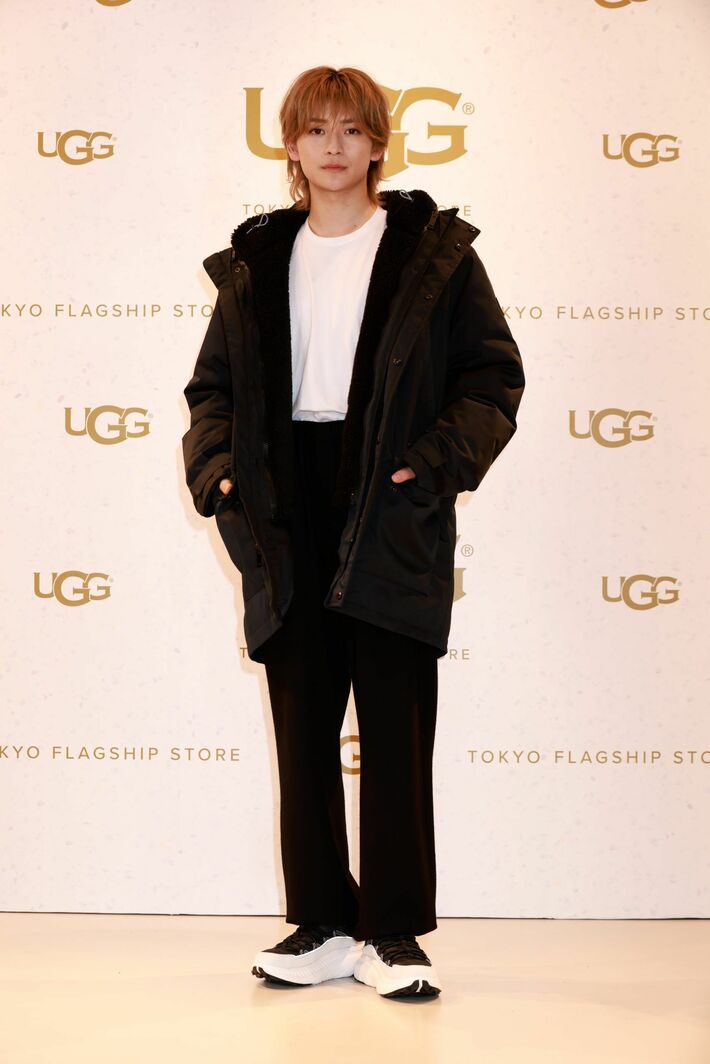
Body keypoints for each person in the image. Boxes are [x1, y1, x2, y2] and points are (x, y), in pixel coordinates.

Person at [181, 65, 526, 1001]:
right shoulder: (257, 261)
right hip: (283, 500)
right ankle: (324, 924)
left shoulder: (433, 256)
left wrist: (433, 463)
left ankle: (394, 933)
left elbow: (492, 378)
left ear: (378, 144)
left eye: (351, 130)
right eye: (315, 130)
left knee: (394, 721)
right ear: (290, 145)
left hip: (388, 495)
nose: (333, 147)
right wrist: (219, 472)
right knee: (302, 723)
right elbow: (212, 389)